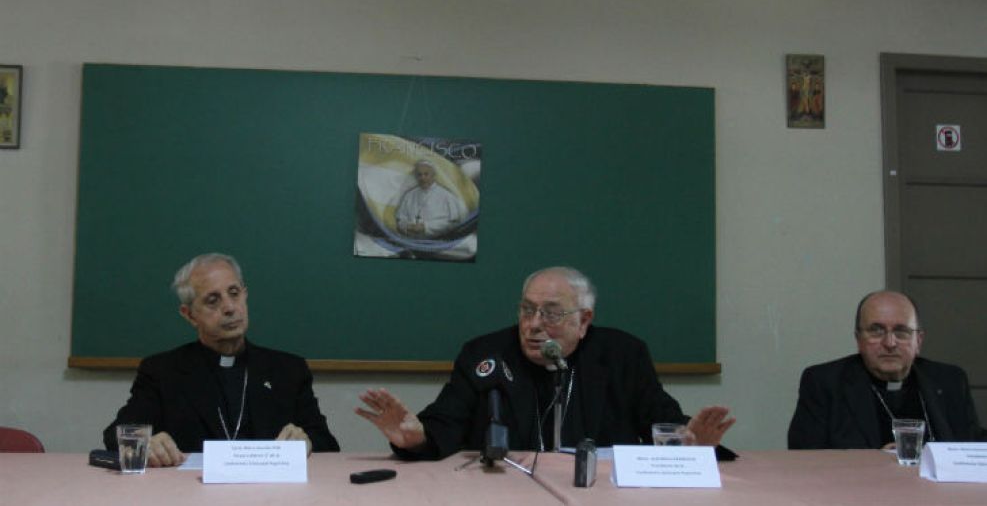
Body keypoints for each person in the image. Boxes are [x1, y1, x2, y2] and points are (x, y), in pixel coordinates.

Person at [356, 266, 735, 460]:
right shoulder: (485, 354)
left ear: (584, 320)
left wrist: (692, 444)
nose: (534, 324)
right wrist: (415, 438)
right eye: (527, 310)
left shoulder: (622, 354)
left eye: (551, 313)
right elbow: (446, 422)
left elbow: (660, 417)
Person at [103, 253, 339, 466]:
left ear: (245, 296)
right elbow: (116, 434)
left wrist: (306, 442)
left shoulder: (288, 370)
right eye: (212, 300)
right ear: (189, 314)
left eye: (234, 294)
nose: (229, 308)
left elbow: (327, 443)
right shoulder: (162, 371)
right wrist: (145, 443)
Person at [788, 290, 986, 449]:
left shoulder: (949, 380)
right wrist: (873, 465)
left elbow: (973, 449)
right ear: (859, 339)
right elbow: (805, 457)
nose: (890, 343)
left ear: (918, 341)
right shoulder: (825, 382)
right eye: (876, 331)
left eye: (901, 332)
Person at [395, 159, 467, 237]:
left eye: (426, 174)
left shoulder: (447, 196)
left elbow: (454, 223)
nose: (422, 178)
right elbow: (400, 220)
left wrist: (425, 227)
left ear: (433, 176)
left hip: (437, 242)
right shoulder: (409, 195)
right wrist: (407, 226)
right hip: (411, 241)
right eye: (419, 175)